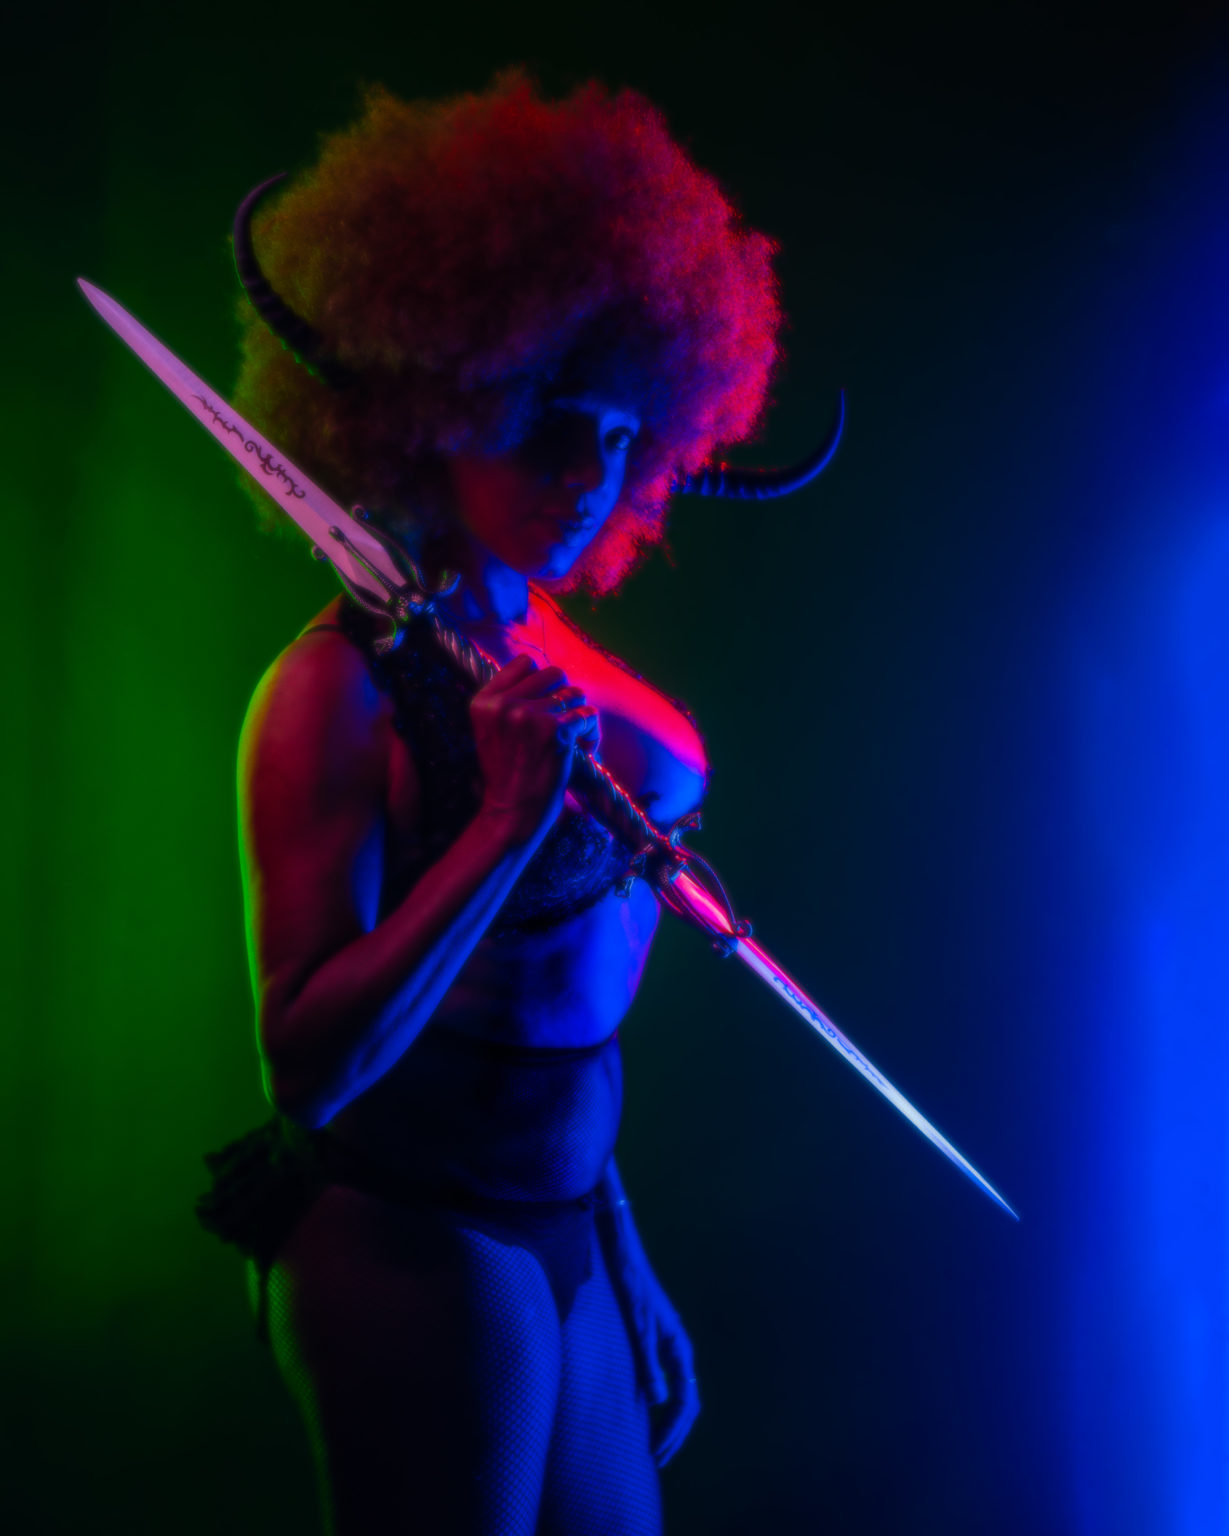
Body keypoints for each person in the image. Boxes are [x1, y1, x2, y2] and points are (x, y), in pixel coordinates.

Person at [198, 72, 827, 1534]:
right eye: (548, 417)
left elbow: (560, 1000)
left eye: (618, 432)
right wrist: (503, 822)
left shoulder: (550, 650)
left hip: (565, 1219)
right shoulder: (335, 689)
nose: (586, 473)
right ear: (444, 400)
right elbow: (305, 1068)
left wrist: (616, 1245)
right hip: (406, 1226)